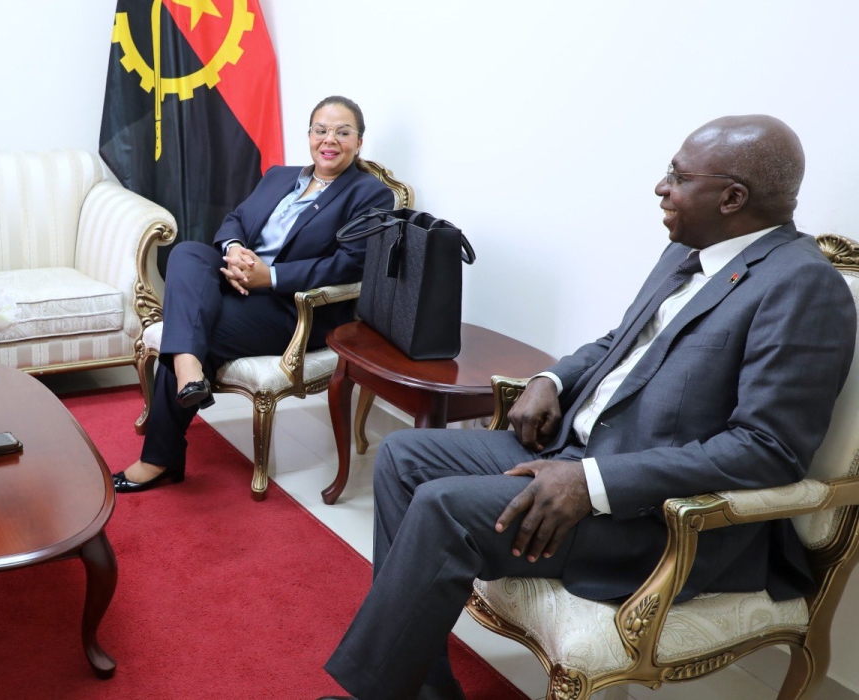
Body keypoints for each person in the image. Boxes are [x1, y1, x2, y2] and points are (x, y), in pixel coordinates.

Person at [320, 115, 857, 700]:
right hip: (575, 449)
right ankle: (421, 686)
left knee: (444, 506)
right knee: (402, 457)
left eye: (677, 177)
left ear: (732, 198)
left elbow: (767, 450)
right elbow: (618, 342)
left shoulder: (802, 286)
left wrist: (591, 481)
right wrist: (550, 378)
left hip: (656, 517)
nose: (661, 188)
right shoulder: (690, 250)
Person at [114, 96, 396, 493]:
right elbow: (236, 220)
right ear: (310, 136)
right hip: (240, 282)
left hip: (293, 309)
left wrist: (272, 276)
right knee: (188, 253)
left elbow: (350, 265)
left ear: (359, 142)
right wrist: (232, 250)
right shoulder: (280, 176)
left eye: (342, 132)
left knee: (193, 327)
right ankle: (189, 371)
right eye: (321, 130)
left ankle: (160, 456)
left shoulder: (369, 195)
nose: (329, 139)